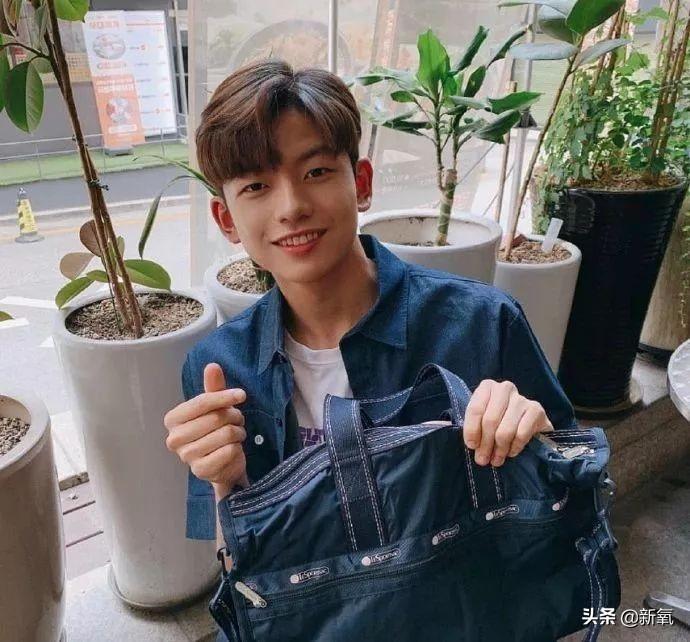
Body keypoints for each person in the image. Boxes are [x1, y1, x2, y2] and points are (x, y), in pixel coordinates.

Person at [162, 59, 577, 638]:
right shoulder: (220, 369)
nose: (290, 206)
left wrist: (532, 433)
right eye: (256, 186)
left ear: (360, 182)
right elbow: (236, 565)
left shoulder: (481, 322)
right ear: (225, 217)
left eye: (315, 171)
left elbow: (572, 490)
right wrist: (226, 484)